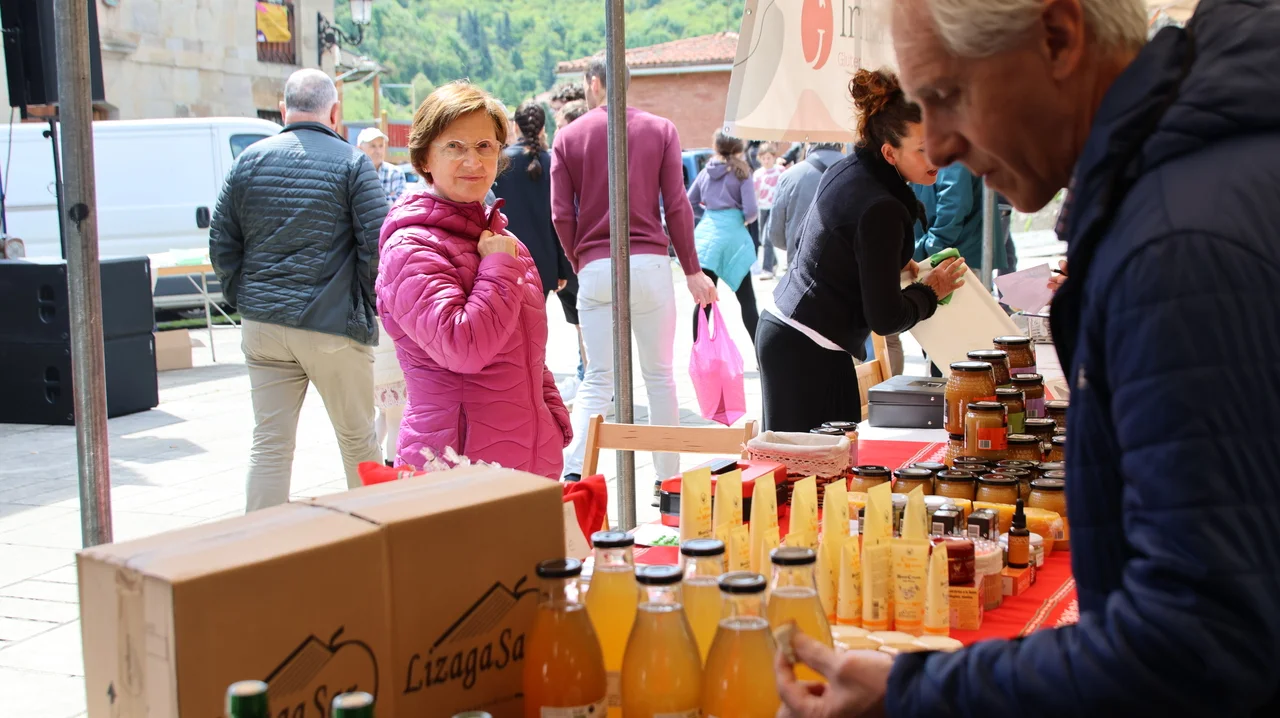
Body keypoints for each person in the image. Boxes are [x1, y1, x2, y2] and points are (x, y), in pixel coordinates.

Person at [776, 0, 1280, 716]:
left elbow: (1194, 643)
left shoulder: (1175, 246)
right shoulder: (1187, 191)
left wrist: (913, 694)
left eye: (949, 95)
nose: (940, 145)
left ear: (1057, 37)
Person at [210, 69, 386, 511]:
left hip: (263, 324)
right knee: (358, 440)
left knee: (269, 444)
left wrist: (244, 298)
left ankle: (261, 543)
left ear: (282, 109)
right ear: (335, 112)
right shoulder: (353, 163)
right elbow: (378, 246)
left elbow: (222, 243)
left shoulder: (248, 161)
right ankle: (375, 535)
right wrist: (364, 305)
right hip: (333, 325)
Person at [375, 81, 570, 478]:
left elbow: (528, 347)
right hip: (458, 466)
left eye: (484, 146)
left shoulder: (502, 241)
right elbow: (463, 348)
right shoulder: (411, 248)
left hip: (528, 459)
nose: (473, 161)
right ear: (424, 157)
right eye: (454, 146)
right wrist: (497, 267)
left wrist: (551, 415)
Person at [757, 69, 965, 432]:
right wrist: (931, 292)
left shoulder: (849, 169)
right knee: (822, 464)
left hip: (789, 332)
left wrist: (893, 262)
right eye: (922, 149)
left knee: (812, 460)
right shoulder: (882, 207)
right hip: (808, 347)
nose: (937, 156)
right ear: (889, 152)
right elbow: (885, 318)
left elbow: (834, 246)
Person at [551, 55, 717, 483]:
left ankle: (574, 474)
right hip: (650, 263)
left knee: (597, 379)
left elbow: (561, 215)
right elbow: (676, 204)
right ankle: (667, 480)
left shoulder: (567, 137)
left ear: (594, 83)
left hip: (595, 264)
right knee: (659, 377)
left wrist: (579, 258)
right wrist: (692, 269)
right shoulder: (661, 129)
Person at [491, 102, 573, 302]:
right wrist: (562, 267)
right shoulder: (553, 162)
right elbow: (560, 217)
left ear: (515, 126)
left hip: (506, 258)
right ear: (543, 128)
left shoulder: (499, 162)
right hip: (544, 263)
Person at [687, 131, 760, 345]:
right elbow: (751, 211)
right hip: (733, 240)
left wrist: (707, 215)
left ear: (716, 146)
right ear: (740, 147)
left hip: (707, 238)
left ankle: (699, 352)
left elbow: (689, 201)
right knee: (747, 301)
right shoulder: (742, 171)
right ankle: (761, 354)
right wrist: (739, 219)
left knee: (704, 302)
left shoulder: (706, 171)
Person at [911, 163, 1008, 276]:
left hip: (954, 254)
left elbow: (953, 204)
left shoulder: (951, 157)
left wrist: (931, 246)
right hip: (951, 251)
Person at [765, 142, 844, 259]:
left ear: (808, 142)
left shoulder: (789, 176)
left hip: (801, 262)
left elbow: (776, 237)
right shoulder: (859, 171)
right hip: (847, 264)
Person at [752, 142, 785, 278]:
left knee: (767, 238)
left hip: (775, 207)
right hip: (762, 208)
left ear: (773, 157)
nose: (766, 161)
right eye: (763, 158)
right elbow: (755, 193)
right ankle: (774, 262)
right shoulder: (758, 174)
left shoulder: (780, 171)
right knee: (763, 238)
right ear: (759, 159)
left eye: (769, 158)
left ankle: (767, 269)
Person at [357, 127, 406, 205]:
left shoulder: (395, 173)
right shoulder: (354, 174)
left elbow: (400, 204)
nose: (378, 151)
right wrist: (387, 199)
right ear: (360, 149)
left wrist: (367, 201)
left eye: (381, 146)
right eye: (373, 146)